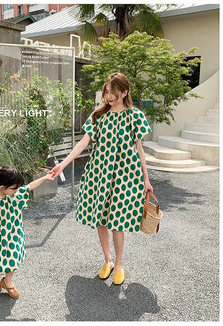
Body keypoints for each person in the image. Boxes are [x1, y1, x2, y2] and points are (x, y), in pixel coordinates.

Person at [51, 72, 153, 285]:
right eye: (106, 92)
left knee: (117, 221)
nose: (109, 97)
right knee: (101, 219)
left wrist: (146, 179)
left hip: (126, 175)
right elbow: (82, 143)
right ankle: (107, 260)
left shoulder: (135, 116)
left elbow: (140, 149)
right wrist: (63, 163)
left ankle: (120, 263)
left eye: (113, 93)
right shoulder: (98, 115)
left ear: (124, 92)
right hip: (99, 173)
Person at [0, 165, 54, 300]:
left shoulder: (14, 194)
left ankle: (7, 282)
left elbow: (30, 186)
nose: (17, 191)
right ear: (2, 187)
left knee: (13, 258)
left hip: (12, 236)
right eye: (14, 188)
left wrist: (45, 178)